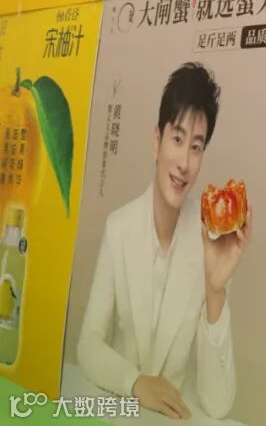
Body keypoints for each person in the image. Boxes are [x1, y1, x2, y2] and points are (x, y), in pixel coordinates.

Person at [78, 63, 251, 420]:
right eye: (177, 139)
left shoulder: (209, 243)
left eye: (196, 147)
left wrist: (215, 290)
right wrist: (134, 382)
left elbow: (218, 404)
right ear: (156, 141)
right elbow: (88, 345)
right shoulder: (118, 229)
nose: (185, 162)